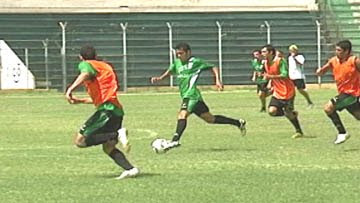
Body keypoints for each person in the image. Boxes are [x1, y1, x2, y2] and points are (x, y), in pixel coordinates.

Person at [150, 42, 246, 152]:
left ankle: (175, 140)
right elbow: (171, 71)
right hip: (191, 97)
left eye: (181, 53)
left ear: (188, 52)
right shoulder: (177, 63)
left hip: (192, 95)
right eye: (177, 54)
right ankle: (238, 122)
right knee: (210, 119)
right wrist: (160, 78)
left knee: (182, 114)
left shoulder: (195, 62)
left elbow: (213, 67)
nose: (178, 56)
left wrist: (218, 80)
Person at [65, 45, 139, 179]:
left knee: (80, 141)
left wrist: (70, 89)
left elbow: (85, 73)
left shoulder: (86, 64)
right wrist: (81, 101)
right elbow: (101, 96)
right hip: (115, 110)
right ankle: (131, 169)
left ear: (81, 58)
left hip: (106, 111)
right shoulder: (104, 66)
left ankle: (117, 133)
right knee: (108, 147)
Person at [316, 40, 360, 144]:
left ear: (346, 51)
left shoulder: (354, 61)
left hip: (352, 93)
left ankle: (342, 133)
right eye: (336, 49)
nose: (336, 52)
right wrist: (320, 71)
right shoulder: (333, 61)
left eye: (339, 50)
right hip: (343, 93)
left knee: (328, 108)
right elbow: (325, 69)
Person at [261, 44, 304, 138]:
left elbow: (284, 74)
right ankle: (291, 113)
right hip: (277, 92)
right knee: (272, 111)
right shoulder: (265, 63)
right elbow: (269, 75)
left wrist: (271, 77)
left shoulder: (280, 61)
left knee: (288, 113)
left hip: (288, 91)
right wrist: (270, 85)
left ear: (271, 52)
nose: (262, 53)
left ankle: (299, 131)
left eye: (264, 52)